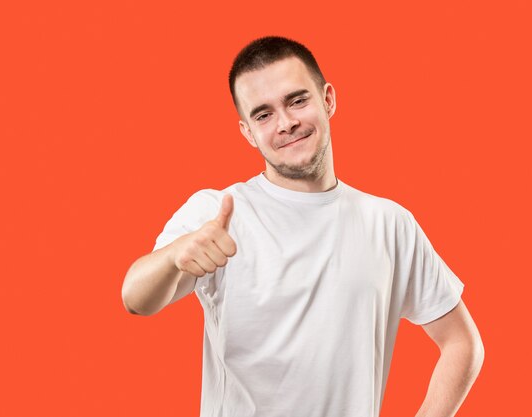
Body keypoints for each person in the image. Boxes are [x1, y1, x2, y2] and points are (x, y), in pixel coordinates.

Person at [121, 36, 484, 417]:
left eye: (297, 101)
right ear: (247, 132)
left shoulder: (389, 223)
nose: (287, 123)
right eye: (263, 115)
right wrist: (175, 258)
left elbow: (462, 344)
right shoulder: (218, 212)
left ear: (328, 99)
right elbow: (136, 298)